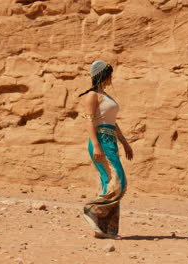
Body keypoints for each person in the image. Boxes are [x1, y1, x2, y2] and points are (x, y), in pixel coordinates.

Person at [79, 60, 133, 239]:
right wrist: (95, 145)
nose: (111, 78)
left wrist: (124, 143)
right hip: (100, 141)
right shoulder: (92, 96)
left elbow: (112, 122)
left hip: (111, 141)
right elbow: (89, 121)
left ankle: (105, 230)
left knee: (109, 182)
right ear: (102, 75)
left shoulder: (105, 95)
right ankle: (92, 209)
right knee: (118, 182)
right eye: (109, 74)